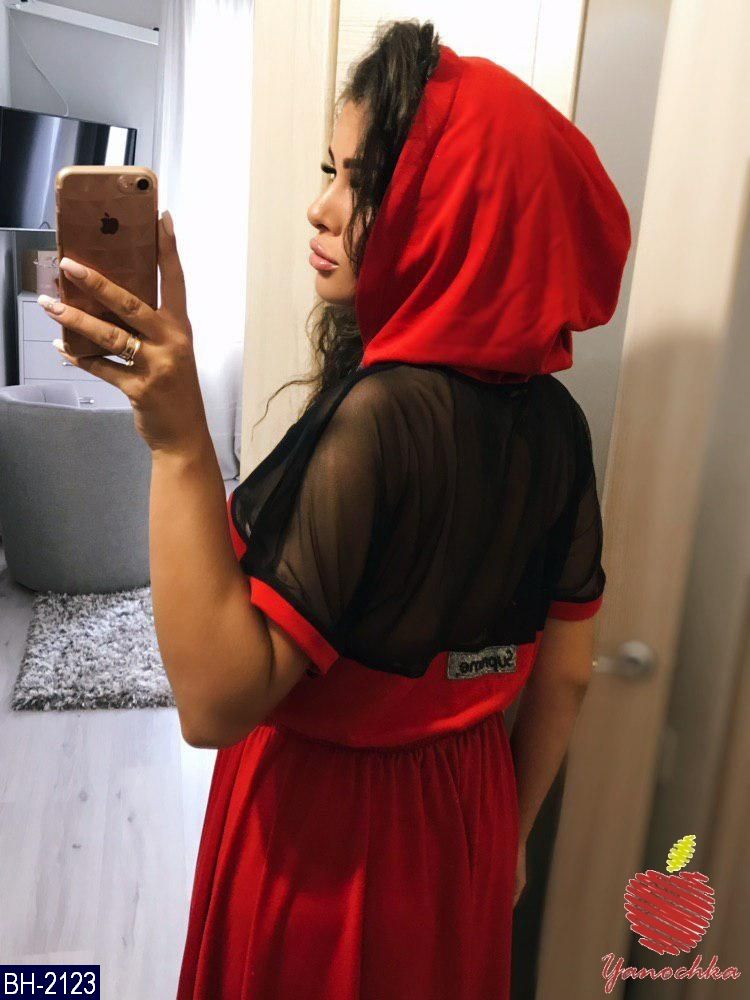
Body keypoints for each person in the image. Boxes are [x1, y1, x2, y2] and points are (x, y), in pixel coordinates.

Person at [175, 21, 631, 1000]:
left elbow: (213, 697)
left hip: (326, 834)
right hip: (466, 813)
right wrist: (506, 837)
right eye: (329, 171)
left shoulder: (380, 417)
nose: (322, 206)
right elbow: (567, 675)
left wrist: (174, 436)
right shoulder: (558, 427)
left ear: (449, 211)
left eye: (362, 183)